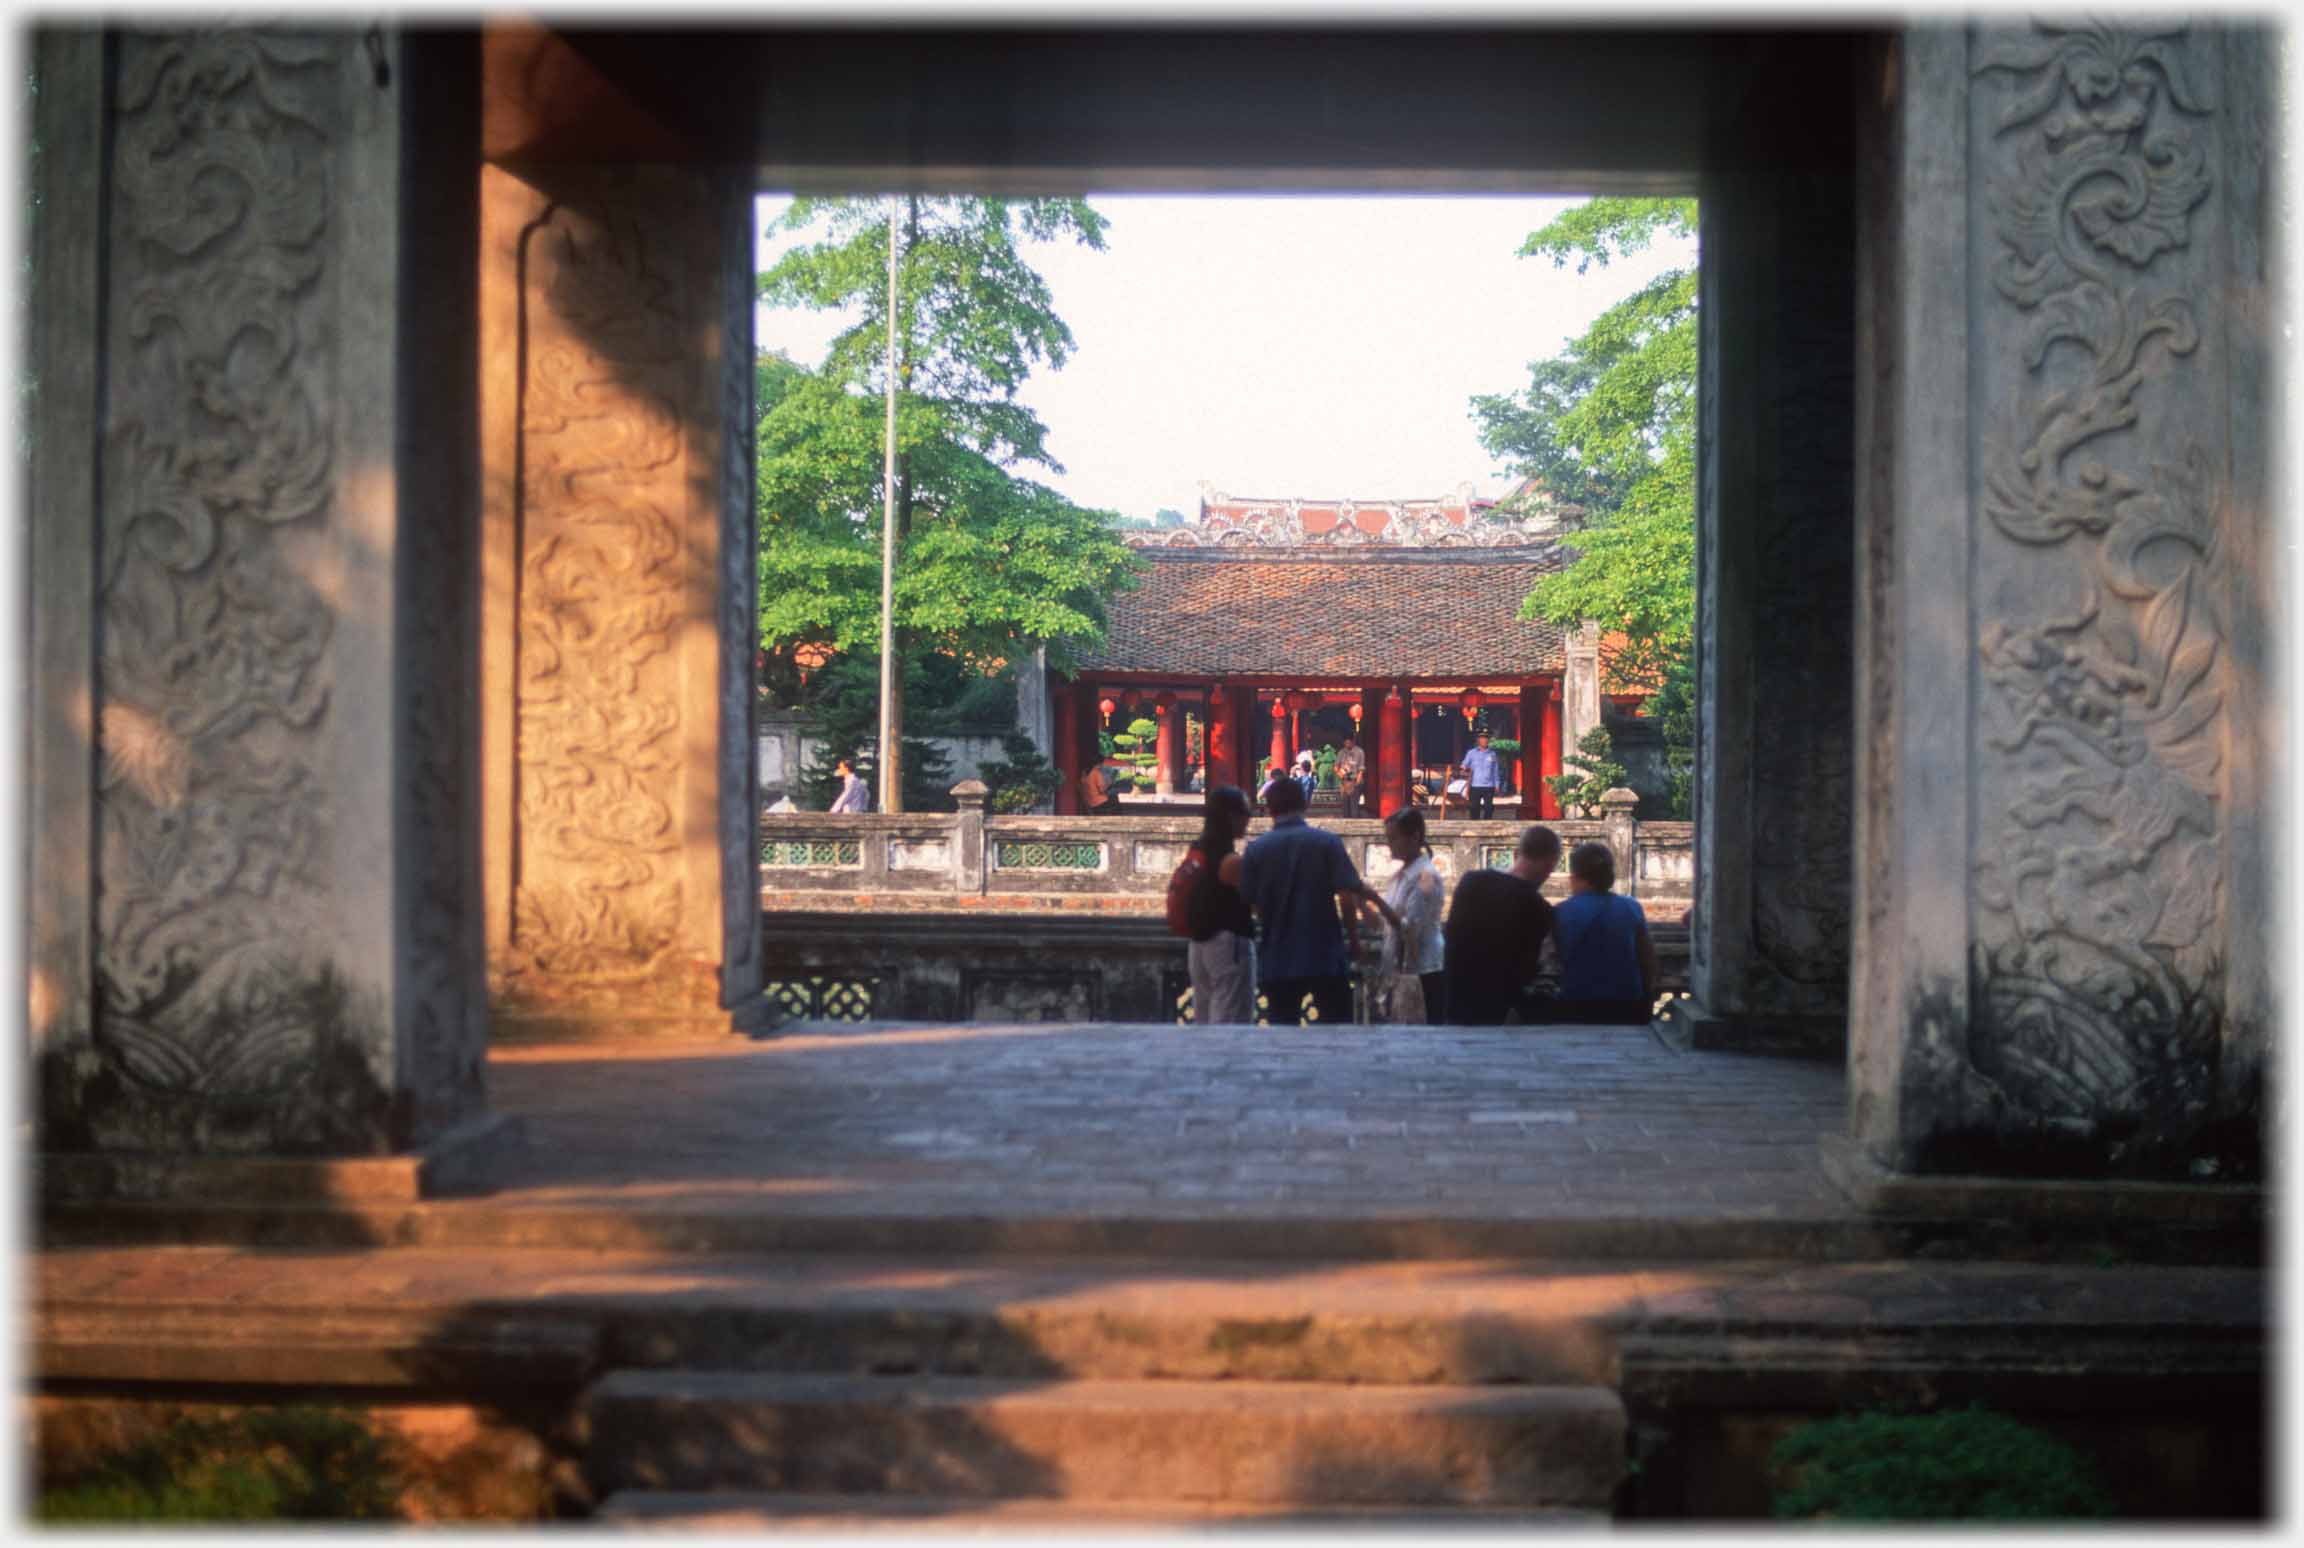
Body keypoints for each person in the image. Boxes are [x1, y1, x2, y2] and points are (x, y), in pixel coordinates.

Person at [1238, 773, 1398, 1026]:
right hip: (1324, 952)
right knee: (1336, 1028)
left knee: (1282, 1029)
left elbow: (1249, 902)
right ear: (1304, 804)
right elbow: (1347, 894)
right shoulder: (1326, 842)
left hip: (1278, 953)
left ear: (1269, 808)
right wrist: (1354, 940)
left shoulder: (1257, 850)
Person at [1443, 823, 1561, 1025]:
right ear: (1550, 865)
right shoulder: (1538, 908)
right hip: (1496, 1011)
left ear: (1516, 854)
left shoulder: (1471, 882)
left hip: (1455, 1000)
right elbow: (1527, 970)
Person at [1548, 840, 1659, 1025]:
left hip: (1577, 1006)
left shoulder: (1561, 912)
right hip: (1628, 1006)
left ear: (1576, 876)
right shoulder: (1632, 908)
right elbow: (1647, 960)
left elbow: (1552, 958)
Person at [1185, 785, 1258, 1024]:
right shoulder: (1230, 862)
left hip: (1199, 942)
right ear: (1231, 817)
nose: (1249, 819)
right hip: (1227, 943)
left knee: (1204, 1014)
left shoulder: (1198, 849)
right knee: (1230, 1016)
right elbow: (1257, 904)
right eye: (1245, 813)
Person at [1375, 806, 1447, 1023]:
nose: (1390, 845)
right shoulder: (1399, 876)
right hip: (1398, 965)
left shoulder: (1426, 877)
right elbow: (1385, 925)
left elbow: (1409, 928)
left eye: (1394, 838)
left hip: (1424, 968)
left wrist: (1374, 899)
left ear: (1414, 837)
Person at [1462, 731, 1502, 821]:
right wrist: (1464, 767)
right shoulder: (1471, 753)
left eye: (1486, 738)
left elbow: (1495, 771)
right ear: (1478, 740)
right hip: (1475, 785)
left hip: (1489, 786)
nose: (1484, 740)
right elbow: (1464, 764)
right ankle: (1475, 825)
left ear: (1488, 740)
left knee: (1488, 808)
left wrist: (1497, 785)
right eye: (1482, 738)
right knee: (1474, 808)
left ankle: (1486, 826)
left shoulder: (1493, 754)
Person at [1335, 736, 1367, 814]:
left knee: (1354, 804)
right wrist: (1339, 773)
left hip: (1354, 779)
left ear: (1353, 742)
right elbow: (1336, 766)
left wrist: (1359, 777)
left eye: (1349, 743)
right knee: (1345, 804)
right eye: (1345, 743)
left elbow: (1361, 767)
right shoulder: (1341, 752)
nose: (1347, 744)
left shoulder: (1359, 752)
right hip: (1344, 780)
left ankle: (1355, 820)